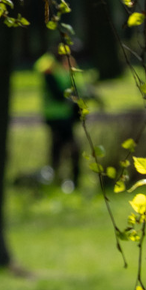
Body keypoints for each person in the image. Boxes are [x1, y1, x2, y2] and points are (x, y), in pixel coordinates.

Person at [35, 47, 90, 191]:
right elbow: (54, 89)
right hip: (55, 115)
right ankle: (59, 179)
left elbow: (78, 86)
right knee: (61, 147)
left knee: (64, 147)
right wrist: (72, 100)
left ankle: (67, 180)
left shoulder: (69, 63)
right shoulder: (48, 65)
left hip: (67, 115)